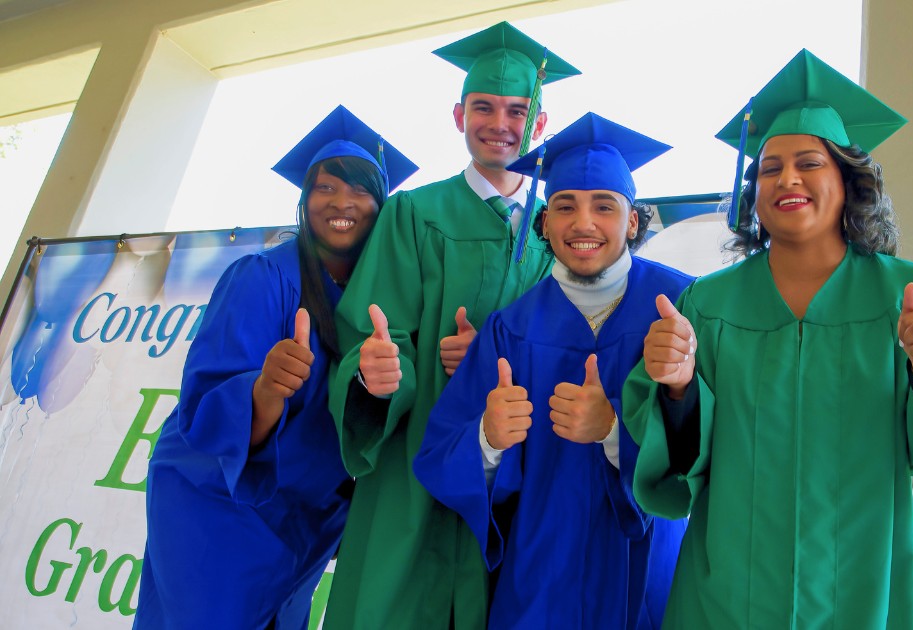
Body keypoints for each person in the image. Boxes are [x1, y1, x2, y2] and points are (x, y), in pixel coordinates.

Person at [622, 49, 913, 629]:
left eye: (809, 163)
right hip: (726, 593)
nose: (787, 179)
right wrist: (676, 390)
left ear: (849, 181)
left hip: (865, 588)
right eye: (770, 168)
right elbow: (671, 466)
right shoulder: (708, 305)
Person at [323, 22, 580, 629]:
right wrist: (379, 373)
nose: (500, 123)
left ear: (539, 126)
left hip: (517, 462)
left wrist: (498, 360)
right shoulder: (414, 213)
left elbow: (578, 344)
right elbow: (376, 331)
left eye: (518, 111)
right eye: (484, 107)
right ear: (459, 114)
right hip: (415, 459)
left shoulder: (557, 230)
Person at [134, 105, 416, 630]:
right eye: (325, 188)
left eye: (359, 192)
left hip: (304, 516)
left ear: (381, 208)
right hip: (218, 505)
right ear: (304, 201)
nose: (341, 204)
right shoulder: (261, 278)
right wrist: (264, 391)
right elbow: (205, 404)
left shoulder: (378, 304)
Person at [414, 113, 690, 630]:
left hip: (650, 569)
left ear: (632, 220)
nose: (583, 224)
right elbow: (440, 458)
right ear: (544, 221)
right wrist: (488, 439)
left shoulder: (682, 306)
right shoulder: (510, 329)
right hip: (541, 579)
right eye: (564, 206)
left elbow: (721, 444)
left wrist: (613, 434)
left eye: (604, 207)